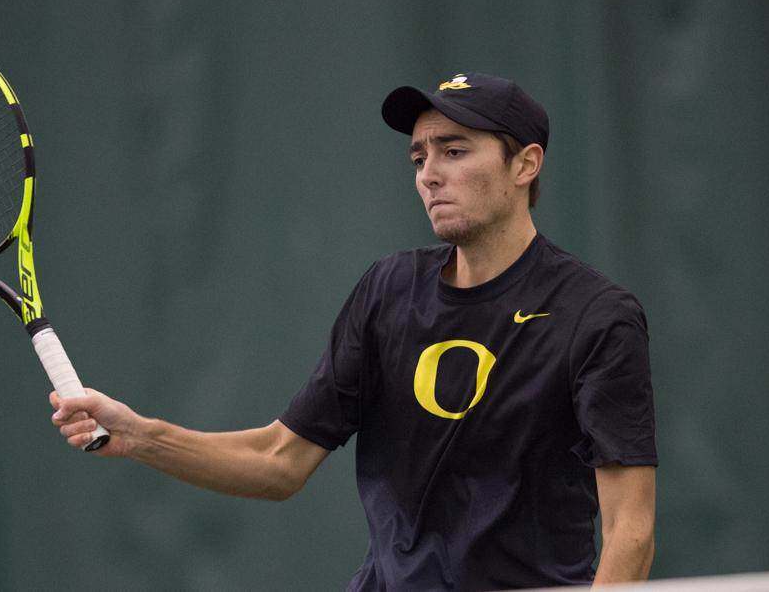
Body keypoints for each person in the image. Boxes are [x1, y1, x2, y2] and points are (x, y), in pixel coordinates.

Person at [51, 72, 657, 590]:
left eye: (455, 151)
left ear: (525, 163)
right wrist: (140, 436)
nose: (429, 174)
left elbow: (630, 527)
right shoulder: (388, 289)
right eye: (419, 157)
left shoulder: (597, 315)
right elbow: (278, 462)